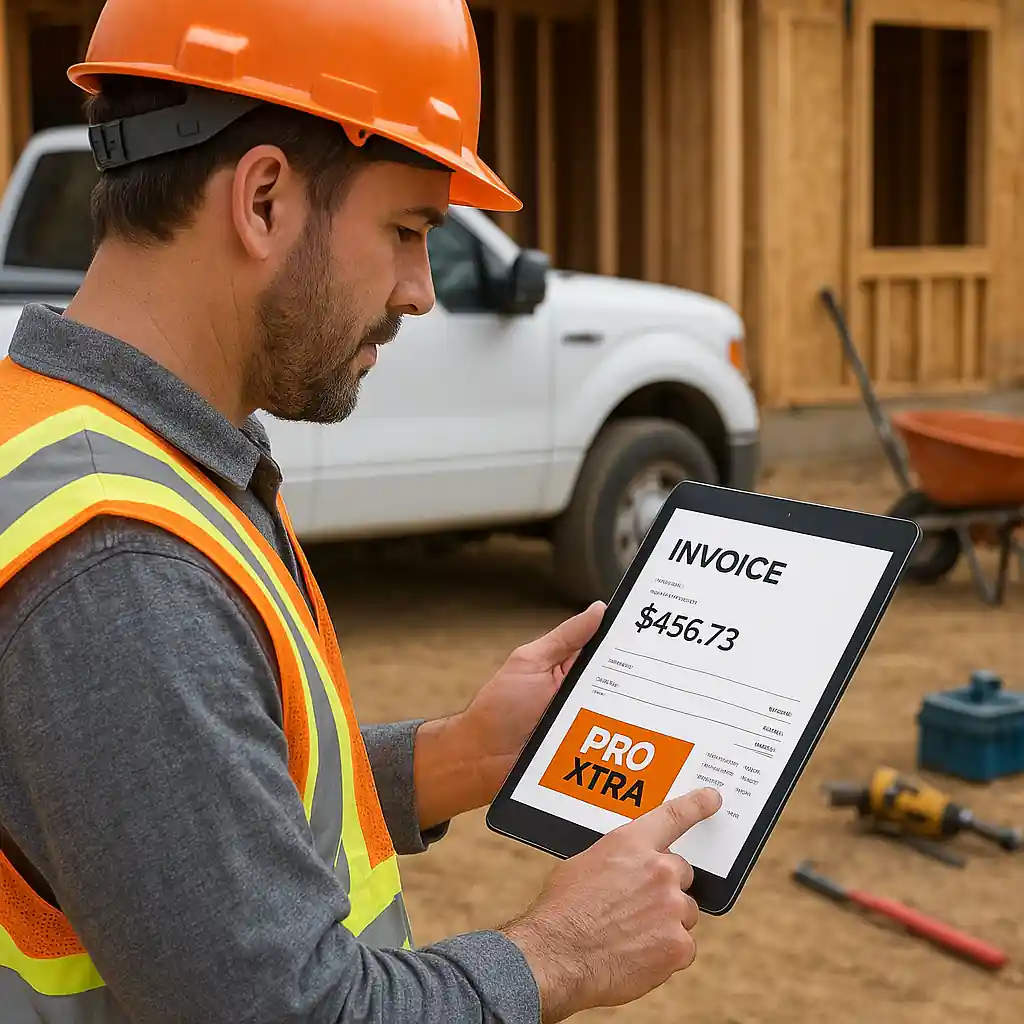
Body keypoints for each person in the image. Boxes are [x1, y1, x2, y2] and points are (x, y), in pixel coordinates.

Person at [0, 1, 722, 1022]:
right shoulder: (119, 562)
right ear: (262, 200)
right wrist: (559, 950)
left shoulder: (70, 435)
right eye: (405, 230)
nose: (421, 290)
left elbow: (181, 822)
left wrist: (461, 755)